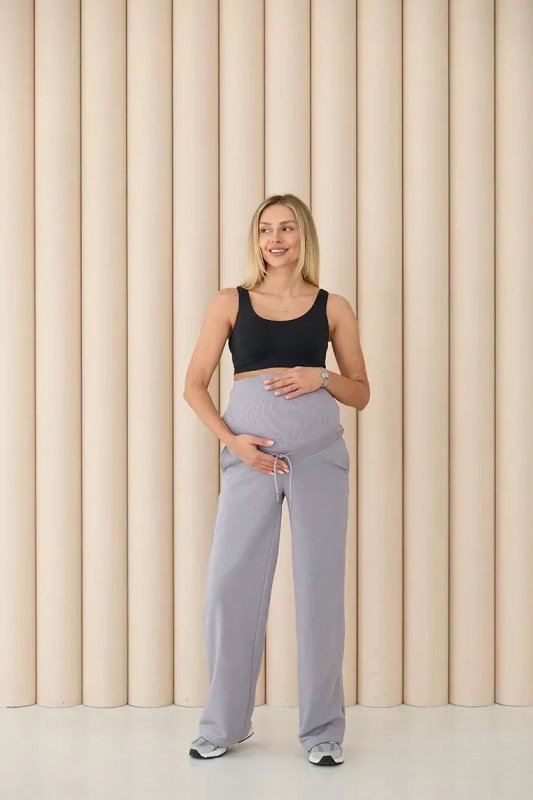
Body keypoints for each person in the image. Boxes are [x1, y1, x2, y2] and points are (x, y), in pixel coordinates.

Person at [183, 193, 370, 766]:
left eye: (287, 228)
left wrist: (322, 376)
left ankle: (323, 731)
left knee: (319, 591)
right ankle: (223, 724)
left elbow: (361, 392)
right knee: (229, 586)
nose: (275, 238)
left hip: (318, 457)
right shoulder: (230, 302)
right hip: (250, 460)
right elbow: (194, 384)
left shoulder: (333, 307)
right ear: (256, 239)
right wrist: (232, 441)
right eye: (266, 229)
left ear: (303, 236)